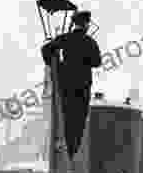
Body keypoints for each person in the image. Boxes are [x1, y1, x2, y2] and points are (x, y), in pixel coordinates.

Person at [41, 10, 102, 158]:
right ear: (87, 24)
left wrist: (56, 65)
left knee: (65, 118)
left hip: (65, 84)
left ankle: (63, 148)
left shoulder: (65, 38)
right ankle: (71, 153)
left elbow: (45, 49)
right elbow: (97, 62)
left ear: (74, 23)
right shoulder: (90, 42)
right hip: (82, 87)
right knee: (78, 121)